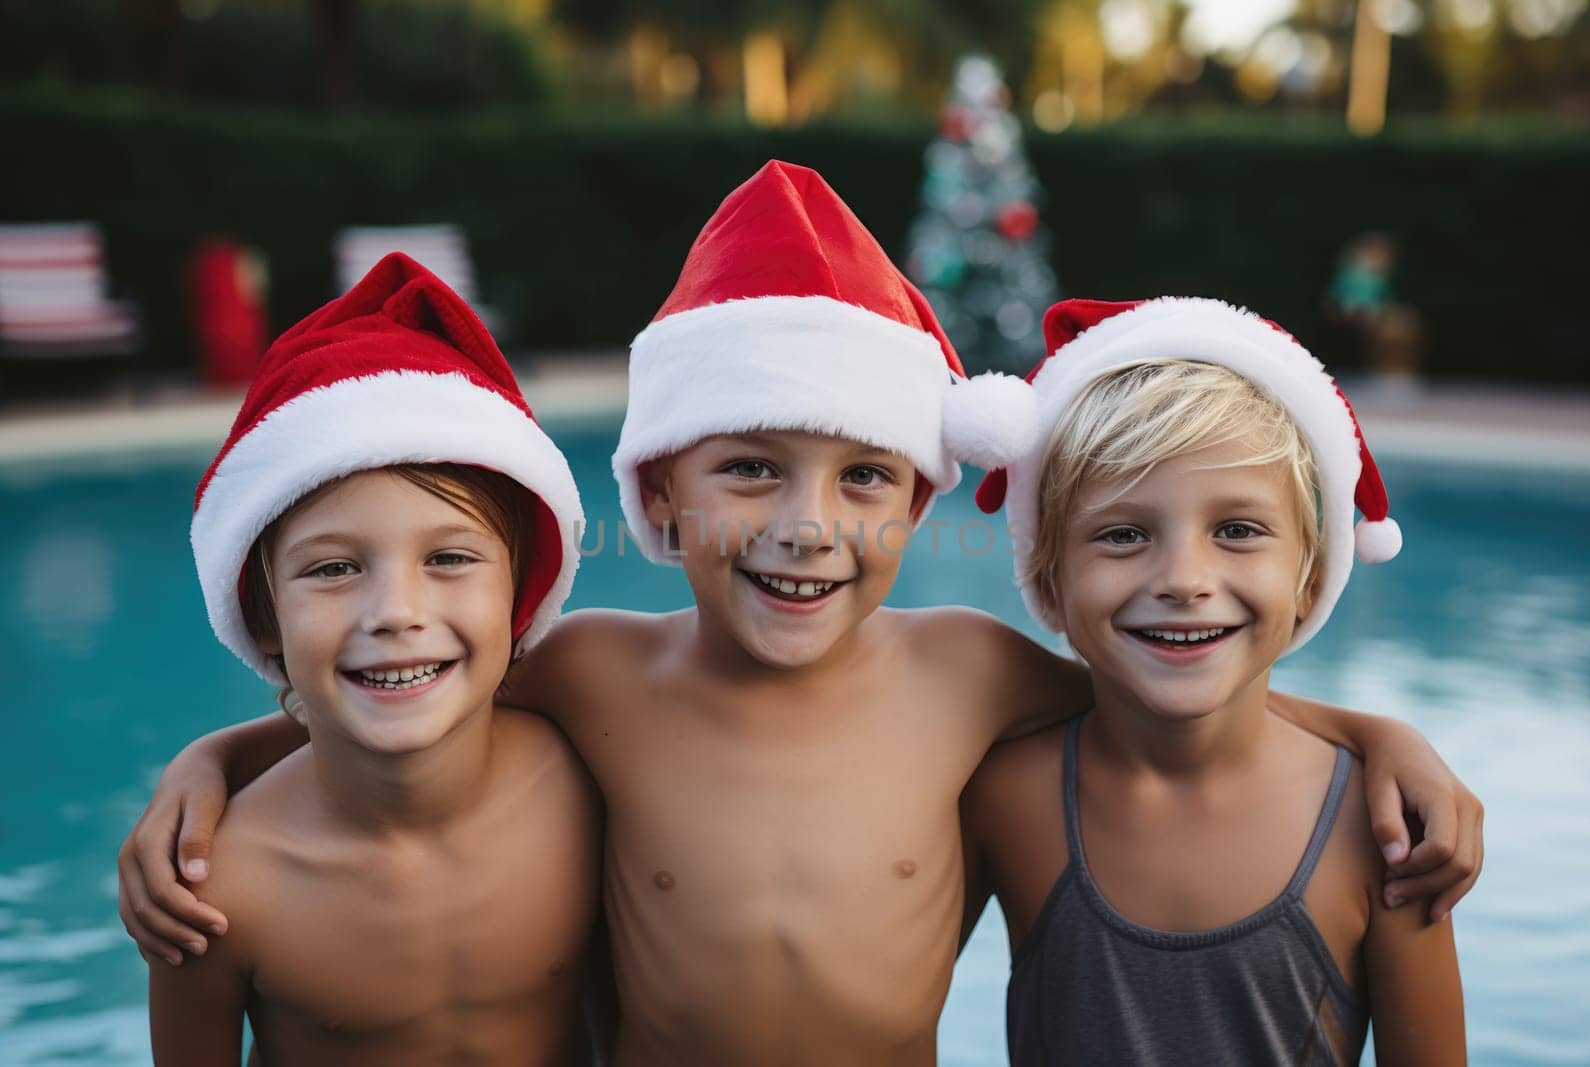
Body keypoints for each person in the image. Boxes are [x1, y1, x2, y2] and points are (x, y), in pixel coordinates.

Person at [122, 164, 1482, 1066]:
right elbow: (407, 685)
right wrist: (218, 760)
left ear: (920, 500)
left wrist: (1376, 735)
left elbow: (1176, 677)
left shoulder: (967, 675)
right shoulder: (596, 671)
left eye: (864, 477)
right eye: (751, 466)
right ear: (660, 491)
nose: (804, 526)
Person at [962, 297, 1466, 1064]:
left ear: (1311, 573)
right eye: (1123, 534)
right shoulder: (1002, 795)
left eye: (1237, 530)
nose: (1184, 579)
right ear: (1050, 580)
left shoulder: (1385, 826)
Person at [147, 253, 600, 1065]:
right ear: (264, 614)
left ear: (519, 591)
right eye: (333, 568)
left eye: (451, 559)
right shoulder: (216, 889)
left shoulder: (593, 783)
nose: (396, 612)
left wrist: (212, 752)